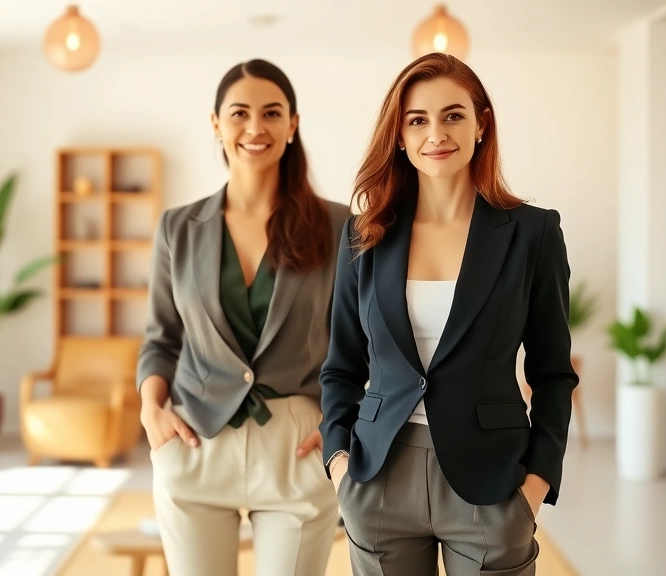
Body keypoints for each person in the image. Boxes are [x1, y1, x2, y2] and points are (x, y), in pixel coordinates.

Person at [319, 52, 579, 576]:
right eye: (417, 120)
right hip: (379, 477)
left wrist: (535, 486)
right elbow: (340, 368)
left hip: (493, 482)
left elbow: (552, 373)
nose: (436, 133)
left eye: (453, 115)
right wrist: (340, 468)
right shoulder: (363, 237)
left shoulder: (533, 234)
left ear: (482, 122)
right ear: (399, 134)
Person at [137, 58, 350, 576]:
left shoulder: (339, 226)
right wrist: (151, 410)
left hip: (298, 446)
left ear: (292, 125)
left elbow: (364, 341)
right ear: (216, 123)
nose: (255, 128)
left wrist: (344, 419)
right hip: (194, 441)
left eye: (272, 113)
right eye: (239, 113)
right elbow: (161, 339)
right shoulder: (178, 228)